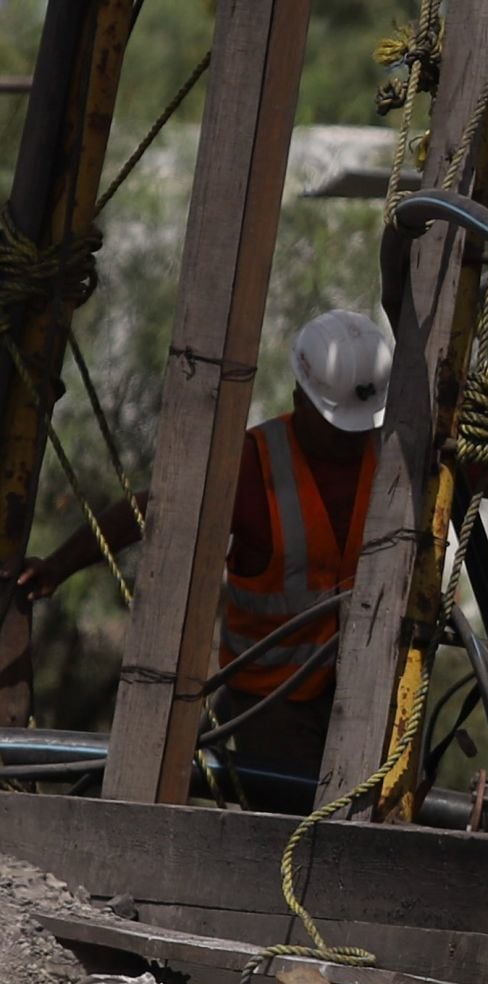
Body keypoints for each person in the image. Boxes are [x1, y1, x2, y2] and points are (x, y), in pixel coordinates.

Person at [7, 310, 394, 785]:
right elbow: (152, 510)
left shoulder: (392, 454)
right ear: (301, 399)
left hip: (365, 692)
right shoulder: (253, 467)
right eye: (340, 426)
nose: (354, 437)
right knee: (294, 813)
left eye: (361, 425)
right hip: (272, 701)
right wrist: (58, 566)